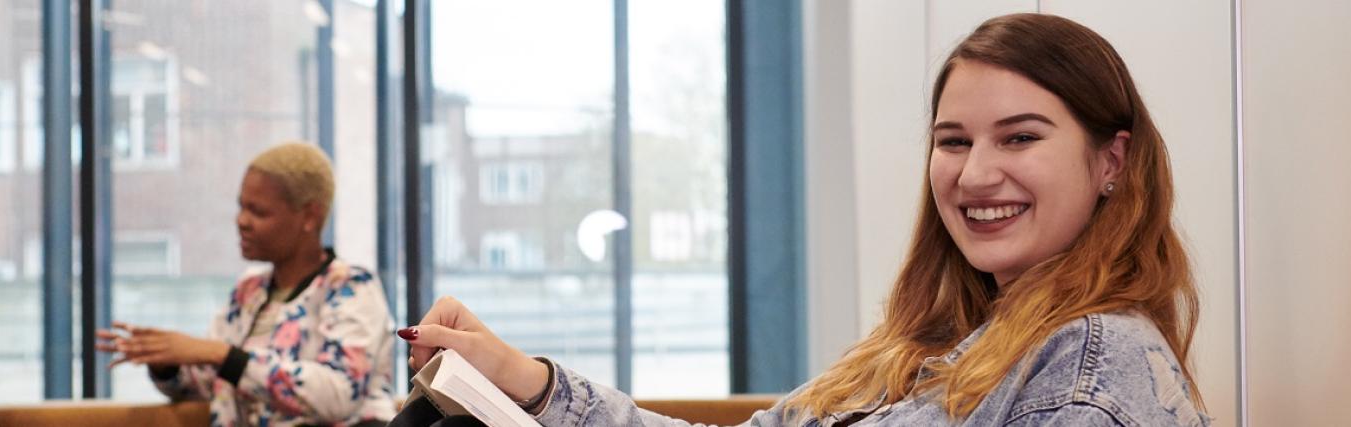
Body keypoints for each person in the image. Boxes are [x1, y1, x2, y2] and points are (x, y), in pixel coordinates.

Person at [396, 13, 1211, 426]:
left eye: (1020, 138)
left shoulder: (1094, 362)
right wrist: (524, 381)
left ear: (1112, 161)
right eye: (952, 141)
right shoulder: (938, 346)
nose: (974, 173)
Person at [98, 143, 396, 427]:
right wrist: (167, 361)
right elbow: (209, 381)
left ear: (309, 216)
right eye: (241, 207)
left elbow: (339, 394)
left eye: (259, 212)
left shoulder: (351, 287)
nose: (242, 221)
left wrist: (222, 355)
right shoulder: (249, 291)